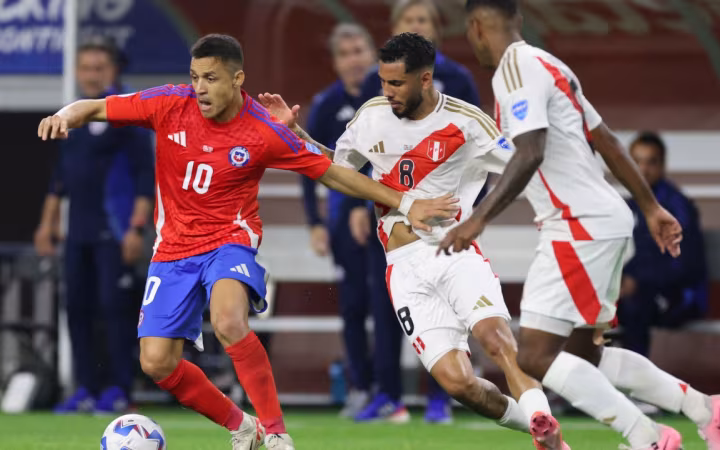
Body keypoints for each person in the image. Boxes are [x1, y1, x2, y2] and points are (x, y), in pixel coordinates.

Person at [37, 34, 456, 450]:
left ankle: (275, 433)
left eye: (211, 78)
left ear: (237, 79)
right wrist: (64, 115)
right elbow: (94, 107)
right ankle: (243, 426)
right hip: (172, 251)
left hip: (229, 240)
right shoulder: (169, 103)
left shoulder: (262, 130)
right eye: (195, 77)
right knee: (156, 362)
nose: (200, 88)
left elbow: (333, 173)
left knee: (228, 321)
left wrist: (405, 202)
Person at [440, 1, 720, 449]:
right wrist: (650, 207)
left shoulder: (514, 69)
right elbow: (607, 140)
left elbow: (531, 151)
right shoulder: (550, 64)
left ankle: (648, 438)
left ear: (477, 27)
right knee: (585, 354)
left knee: (535, 356)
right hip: (602, 221)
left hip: (576, 225)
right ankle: (707, 410)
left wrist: (477, 221)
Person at [259, 32, 568, 450]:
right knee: (458, 383)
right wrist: (297, 134)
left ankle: (541, 419)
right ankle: (542, 433)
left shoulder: (466, 122)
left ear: (425, 79)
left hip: (454, 253)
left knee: (496, 339)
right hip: (403, 268)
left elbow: (524, 162)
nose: (387, 92)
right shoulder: (371, 116)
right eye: (383, 82)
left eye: (397, 83)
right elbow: (338, 169)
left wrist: (537, 214)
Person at [350, 0, 483, 424]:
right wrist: (358, 205)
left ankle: (442, 397)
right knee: (386, 306)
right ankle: (388, 395)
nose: (417, 25)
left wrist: (473, 211)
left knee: (446, 310)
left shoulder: (458, 81)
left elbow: (481, 152)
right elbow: (356, 154)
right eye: (409, 20)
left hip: (443, 222)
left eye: (424, 19)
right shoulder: (377, 92)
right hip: (390, 219)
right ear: (395, 27)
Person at [34, 37, 154, 414]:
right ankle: (85, 387)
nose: (91, 75)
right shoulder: (72, 116)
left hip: (115, 232)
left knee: (114, 308)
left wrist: (136, 229)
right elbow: (60, 178)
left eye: (98, 68)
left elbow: (145, 177)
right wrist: (47, 224)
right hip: (78, 232)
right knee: (77, 307)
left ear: (113, 71)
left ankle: (119, 388)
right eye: (85, 68)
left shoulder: (126, 116)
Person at [299, 23, 400, 419]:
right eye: (345, 54)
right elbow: (308, 162)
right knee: (353, 306)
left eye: (359, 51)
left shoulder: (390, 97)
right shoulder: (327, 104)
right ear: (335, 62)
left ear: (372, 55)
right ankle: (360, 387)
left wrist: (365, 205)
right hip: (344, 222)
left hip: (386, 215)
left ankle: (389, 392)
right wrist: (315, 222)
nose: (353, 60)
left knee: (386, 304)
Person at [618, 132, 708, 356]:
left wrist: (636, 279)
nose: (643, 169)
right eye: (637, 162)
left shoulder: (676, 207)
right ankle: (604, 372)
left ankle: (633, 375)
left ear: (662, 165)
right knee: (597, 307)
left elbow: (681, 264)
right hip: (642, 291)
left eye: (651, 162)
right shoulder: (630, 204)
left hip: (681, 295)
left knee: (633, 307)